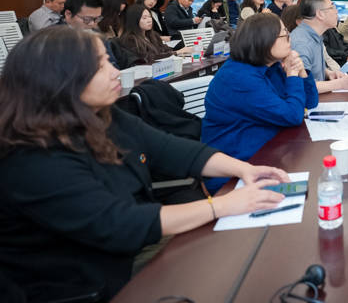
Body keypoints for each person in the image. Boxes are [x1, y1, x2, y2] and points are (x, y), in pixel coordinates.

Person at [0, 27, 290, 301]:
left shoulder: (100, 116)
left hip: (125, 255)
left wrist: (243, 169)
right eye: (100, 66)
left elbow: (172, 149)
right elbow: (120, 223)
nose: (115, 72)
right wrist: (221, 206)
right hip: (85, 286)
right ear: (60, 81)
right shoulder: (32, 159)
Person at [201, 13, 318, 192]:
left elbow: (311, 101)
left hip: (268, 153)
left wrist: (301, 72)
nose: (290, 39)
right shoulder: (239, 78)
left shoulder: (269, 66)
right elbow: (293, 115)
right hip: (234, 174)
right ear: (264, 40)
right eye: (285, 35)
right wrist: (292, 75)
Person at [289, 0, 348, 93]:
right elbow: (303, 86)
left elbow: (311, 69)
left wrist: (329, 73)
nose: (336, 11)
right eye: (332, 7)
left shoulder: (314, 34)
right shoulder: (302, 43)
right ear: (320, 14)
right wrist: (340, 84)